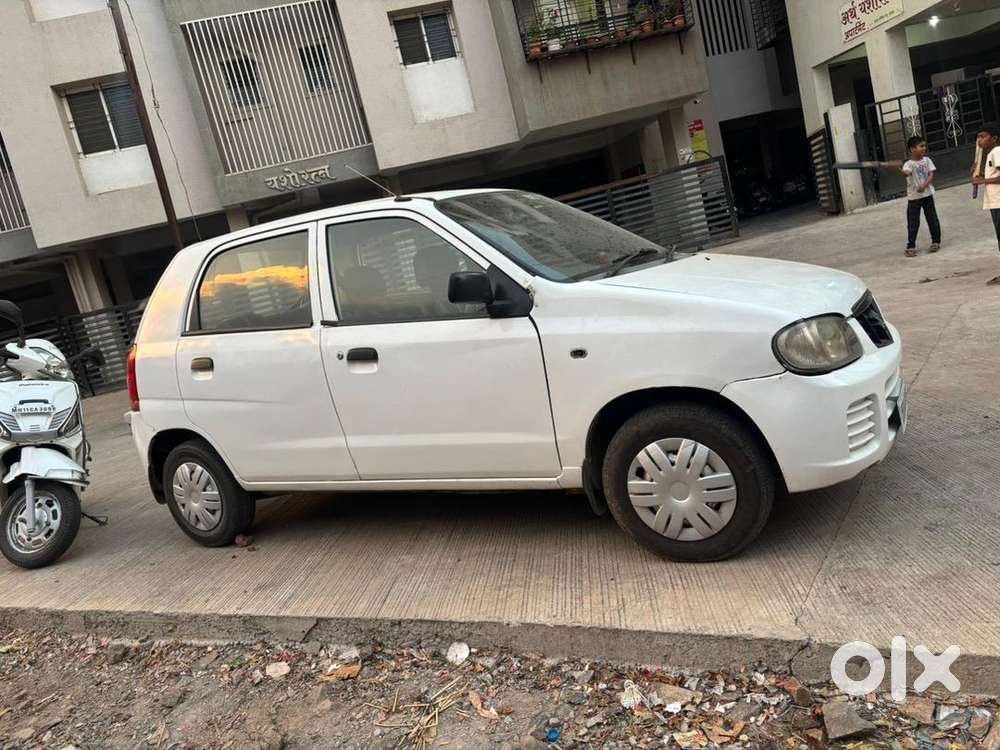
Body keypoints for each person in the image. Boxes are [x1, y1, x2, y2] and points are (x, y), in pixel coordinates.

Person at [894, 136, 941, 257]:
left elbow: (931, 174)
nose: (924, 148)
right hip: (914, 197)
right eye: (921, 146)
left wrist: (925, 185)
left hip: (927, 195)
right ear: (912, 149)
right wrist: (898, 169)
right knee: (913, 222)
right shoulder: (908, 164)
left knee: (932, 218)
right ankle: (911, 246)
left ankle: (936, 241)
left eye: (924, 146)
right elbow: (906, 174)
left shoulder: (927, 160)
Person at [972, 122, 1000, 285]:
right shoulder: (991, 154)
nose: (979, 141)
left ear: (994, 138)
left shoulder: (997, 151)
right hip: (994, 202)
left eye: (983, 137)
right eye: (978, 137)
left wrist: (982, 180)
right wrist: (979, 174)